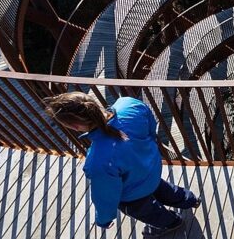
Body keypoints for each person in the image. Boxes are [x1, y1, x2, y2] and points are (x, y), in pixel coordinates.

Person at [43, 93, 199, 238]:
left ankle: (171, 223)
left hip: (134, 195)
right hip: (151, 170)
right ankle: (189, 199)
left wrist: (104, 219)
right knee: (164, 189)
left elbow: (106, 195)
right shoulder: (128, 104)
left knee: (150, 212)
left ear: (76, 126)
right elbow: (151, 128)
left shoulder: (97, 161)